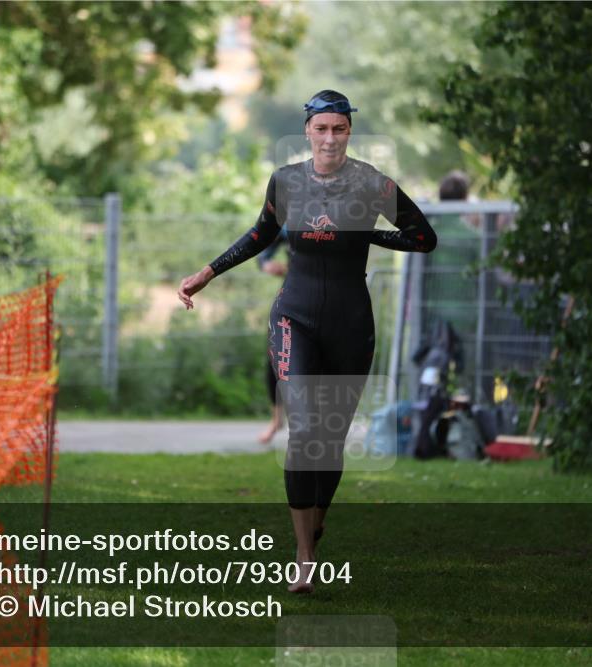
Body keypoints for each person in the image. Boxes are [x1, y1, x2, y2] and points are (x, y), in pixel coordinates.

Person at [178, 90, 436, 593]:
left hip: (350, 322)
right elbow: (260, 234)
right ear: (308, 132)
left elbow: (423, 238)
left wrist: (367, 234)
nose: (330, 139)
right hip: (293, 317)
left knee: (330, 440)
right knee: (304, 430)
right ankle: (303, 556)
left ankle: (314, 529)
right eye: (322, 129)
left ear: (349, 133)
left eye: (339, 129)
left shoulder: (372, 184)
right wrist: (207, 272)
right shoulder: (287, 181)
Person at [257, 225, 290, 444]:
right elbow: (262, 254)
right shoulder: (288, 227)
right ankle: (277, 419)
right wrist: (267, 264)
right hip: (292, 295)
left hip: (329, 297)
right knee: (274, 355)